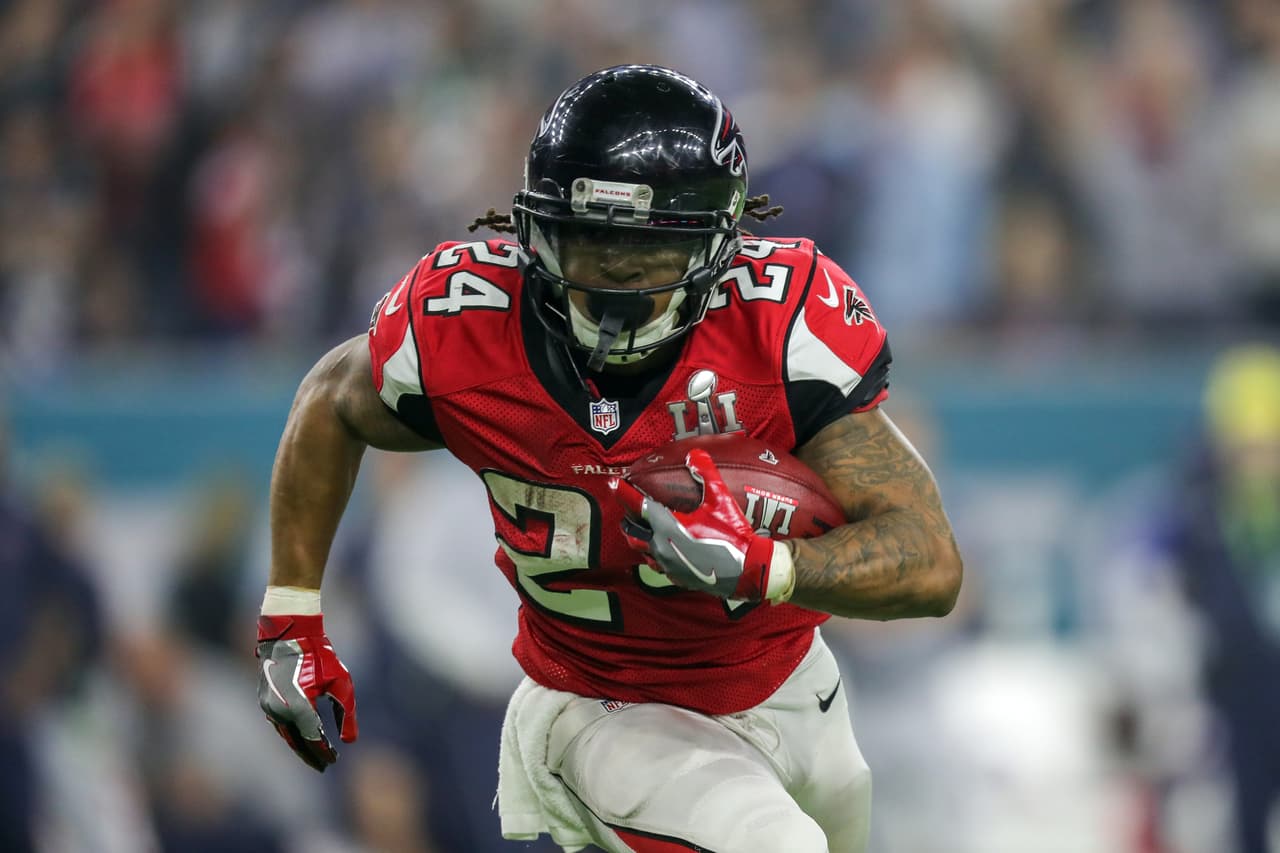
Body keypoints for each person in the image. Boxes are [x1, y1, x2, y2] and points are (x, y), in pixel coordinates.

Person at [254, 64, 963, 853]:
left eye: (644, 250)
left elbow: (931, 562)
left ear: (716, 244)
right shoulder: (465, 327)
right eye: (588, 240)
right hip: (604, 702)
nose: (612, 277)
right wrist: (291, 611)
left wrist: (767, 566)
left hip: (788, 681)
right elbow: (330, 399)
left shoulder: (779, 326)